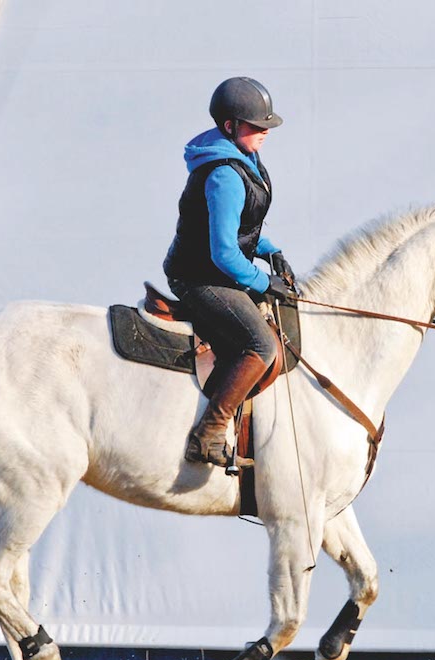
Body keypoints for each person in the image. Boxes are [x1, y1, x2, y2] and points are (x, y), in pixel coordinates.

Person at [164, 76, 297, 468]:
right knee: (261, 346)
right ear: (229, 127)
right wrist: (262, 281)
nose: (265, 132)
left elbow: (241, 229)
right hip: (199, 277)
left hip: (217, 269)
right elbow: (224, 253)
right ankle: (209, 433)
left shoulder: (245, 159)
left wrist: (272, 252)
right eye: (256, 125)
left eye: (265, 125)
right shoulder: (224, 174)